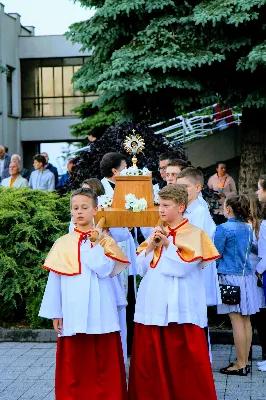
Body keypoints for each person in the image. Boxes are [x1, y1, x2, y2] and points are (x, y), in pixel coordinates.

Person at [128, 185, 219, 400]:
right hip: (153, 303)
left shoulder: (195, 233)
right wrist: (151, 245)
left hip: (181, 307)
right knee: (151, 363)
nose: (161, 209)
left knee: (183, 363)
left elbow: (182, 268)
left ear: (180, 207)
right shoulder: (156, 231)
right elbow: (139, 268)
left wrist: (168, 244)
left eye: (166, 205)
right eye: (159, 204)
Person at [39, 188, 128, 399]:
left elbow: (106, 270)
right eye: (75, 208)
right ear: (71, 211)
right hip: (73, 309)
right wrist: (56, 312)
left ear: (95, 210)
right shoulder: (62, 243)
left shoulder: (106, 242)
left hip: (102, 309)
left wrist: (94, 244)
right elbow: (55, 280)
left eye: (85, 207)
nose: (79, 212)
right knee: (75, 361)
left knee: (104, 360)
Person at [215, 195, 260, 376]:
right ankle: (244, 362)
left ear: (228, 209)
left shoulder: (223, 228)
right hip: (246, 276)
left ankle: (240, 364)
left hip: (230, 277)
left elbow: (216, 254)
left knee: (236, 321)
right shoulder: (248, 229)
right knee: (246, 321)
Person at [245, 192, 266, 369]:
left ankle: (264, 353)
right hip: (249, 274)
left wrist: (259, 272)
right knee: (249, 315)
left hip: (257, 275)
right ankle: (247, 351)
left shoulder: (262, 226)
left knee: (260, 316)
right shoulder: (246, 226)